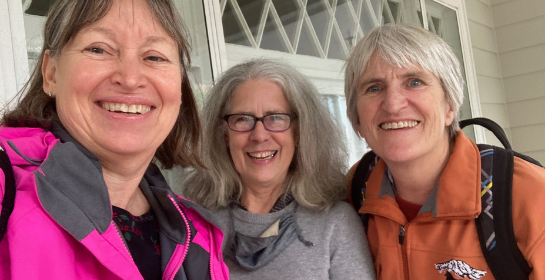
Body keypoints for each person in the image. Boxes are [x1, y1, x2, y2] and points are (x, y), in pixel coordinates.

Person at [0, 0, 229, 279]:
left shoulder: (198, 234)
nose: (131, 79)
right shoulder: (4, 192)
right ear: (51, 73)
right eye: (98, 49)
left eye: (154, 57)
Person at [344, 23, 545, 279]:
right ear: (357, 120)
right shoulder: (355, 191)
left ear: (449, 106)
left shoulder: (531, 198)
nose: (393, 105)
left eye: (414, 82)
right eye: (374, 87)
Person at [184, 59, 376, 279]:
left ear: (299, 134)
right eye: (242, 119)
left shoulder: (335, 223)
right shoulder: (195, 222)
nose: (259, 135)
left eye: (275, 118)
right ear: (225, 135)